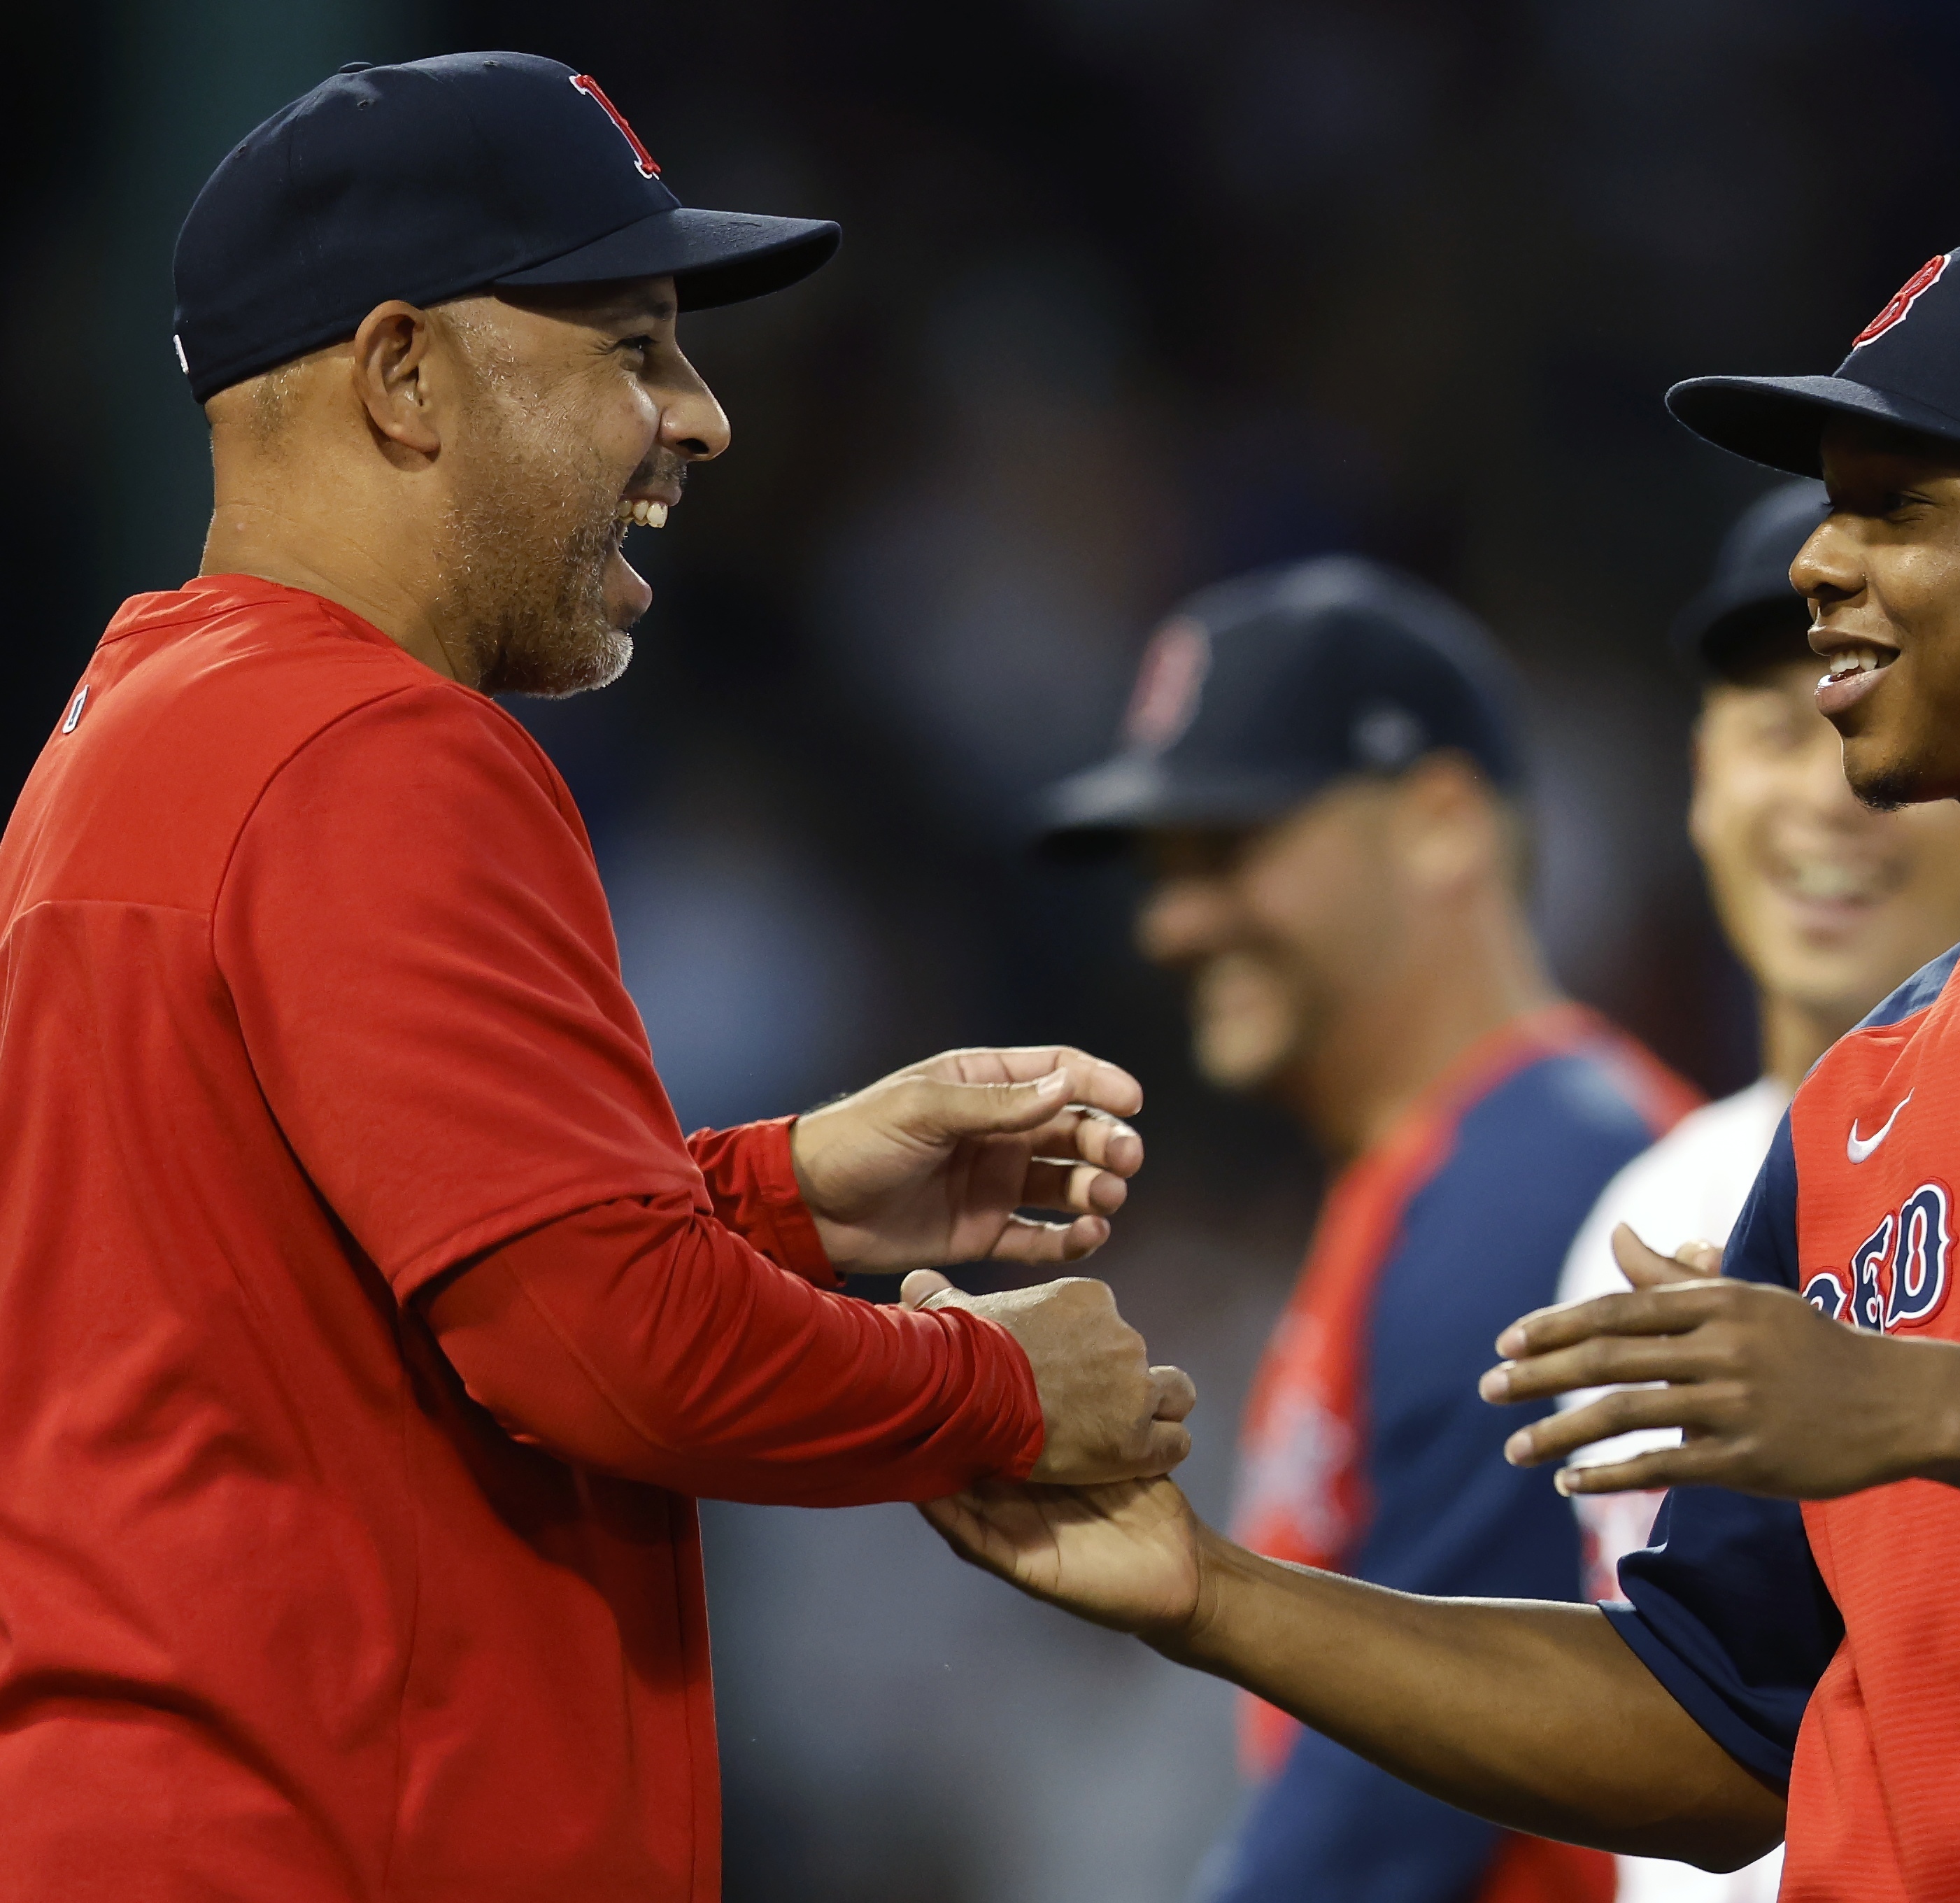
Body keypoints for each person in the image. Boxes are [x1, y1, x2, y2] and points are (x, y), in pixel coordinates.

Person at [931, 241, 1960, 1899]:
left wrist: (1910, 1398)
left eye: (1901, 505)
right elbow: (1717, 1722)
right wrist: (1210, 1594)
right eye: (1834, 502)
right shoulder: (1862, 1096)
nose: (1823, 559)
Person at [0, 54, 1189, 1902]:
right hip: (321, 1835)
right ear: (403, 376)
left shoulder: (131, 731)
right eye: (630, 346)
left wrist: (785, 1190)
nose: (699, 417)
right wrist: (997, 1389)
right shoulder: (369, 747)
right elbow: (596, 1342)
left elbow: (357, 1255)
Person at [1032, 556, 1698, 1903]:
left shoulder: (1545, 1179)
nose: (1172, 919)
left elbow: (1399, 1804)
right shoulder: (1447, 1168)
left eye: (1231, 849)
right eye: (1159, 869)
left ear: (1443, 819)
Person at [1548, 481, 1960, 1903]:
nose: (1823, 794)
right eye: (1773, 729)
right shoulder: (1641, 1197)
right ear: (1697, 776)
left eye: (1865, 725)